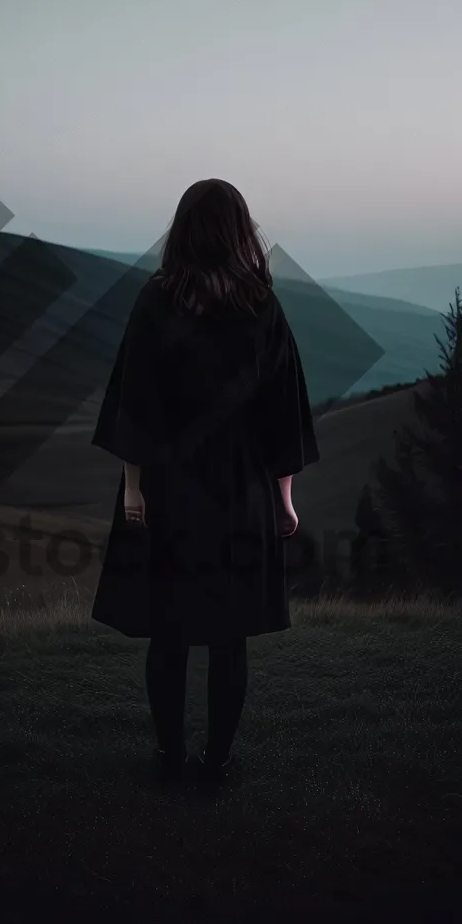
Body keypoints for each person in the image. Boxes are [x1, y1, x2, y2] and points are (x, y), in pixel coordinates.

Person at [90, 178, 320, 787]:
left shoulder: (156, 299)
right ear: (241, 229)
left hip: (169, 489)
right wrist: (284, 500)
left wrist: (133, 489)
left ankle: (169, 757)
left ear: (183, 230)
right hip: (241, 491)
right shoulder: (261, 305)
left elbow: (133, 403)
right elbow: (284, 413)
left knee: (168, 631)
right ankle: (216, 761)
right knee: (229, 635)